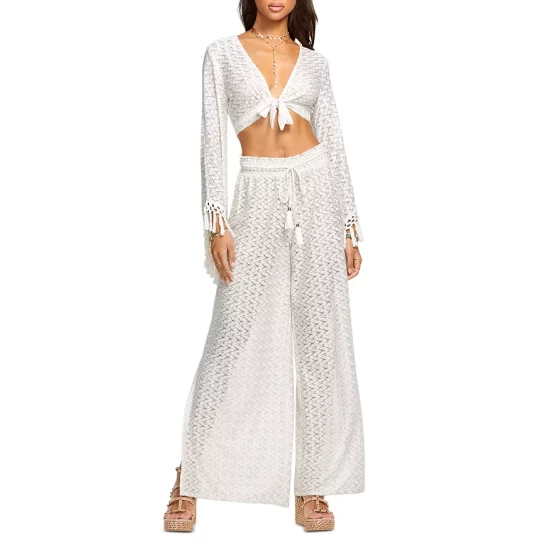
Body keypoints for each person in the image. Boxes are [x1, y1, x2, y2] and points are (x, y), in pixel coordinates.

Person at [164, 0, 365, 533]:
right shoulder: (222, 54)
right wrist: (216, 221)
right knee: (230, 338)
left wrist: (348, 226)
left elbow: (335, 144)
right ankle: (189, 478)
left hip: (317, 191)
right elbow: (211, 139)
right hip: (256, 193)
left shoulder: (316, 64)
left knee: (320, 341)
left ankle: (313, 484)